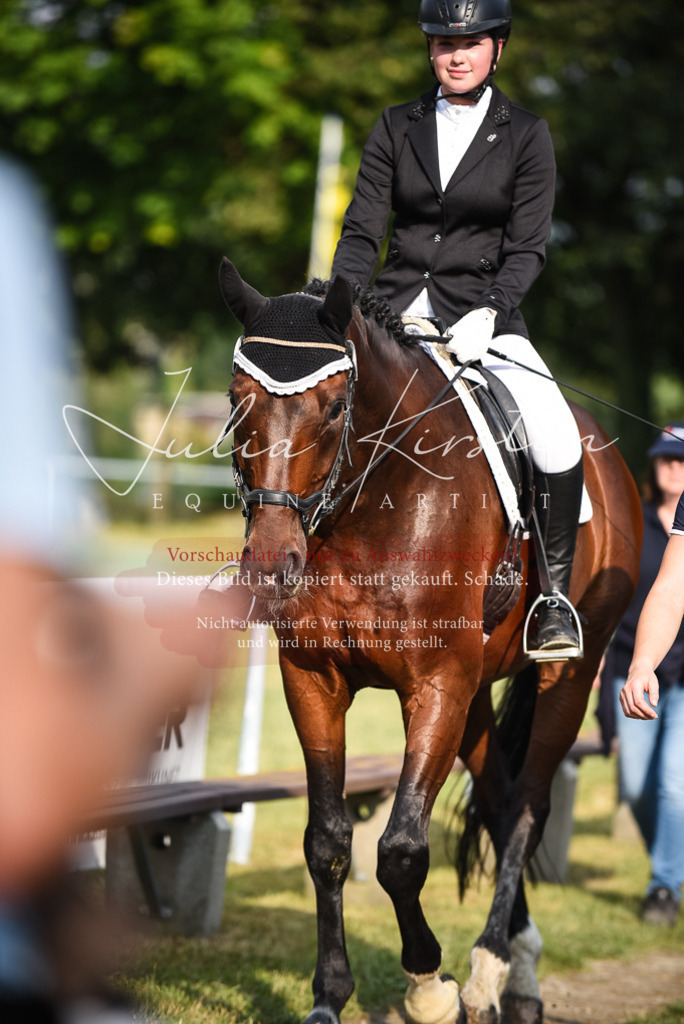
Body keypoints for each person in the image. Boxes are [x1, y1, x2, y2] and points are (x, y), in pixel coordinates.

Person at [330, 0, 584, 659]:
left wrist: (491, 312)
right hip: (391, 315)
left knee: (555, 435)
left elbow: (528, 248)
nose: (457, 53)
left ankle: (552, 600)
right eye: (444, 43)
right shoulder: (396, 125)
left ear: (498, 48)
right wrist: (342, 309)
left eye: (471, 42)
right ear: (430, 50)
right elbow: (362, 233)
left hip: (483, 318)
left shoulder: (527, 133)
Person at [614, 426, 684, 925]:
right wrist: (642, 663)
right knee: (638, 785)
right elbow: (669, 590)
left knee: (675, 785)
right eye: (666, 459)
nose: (674, 468)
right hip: (654, 669)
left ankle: (664, 884)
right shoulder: (641, 520)